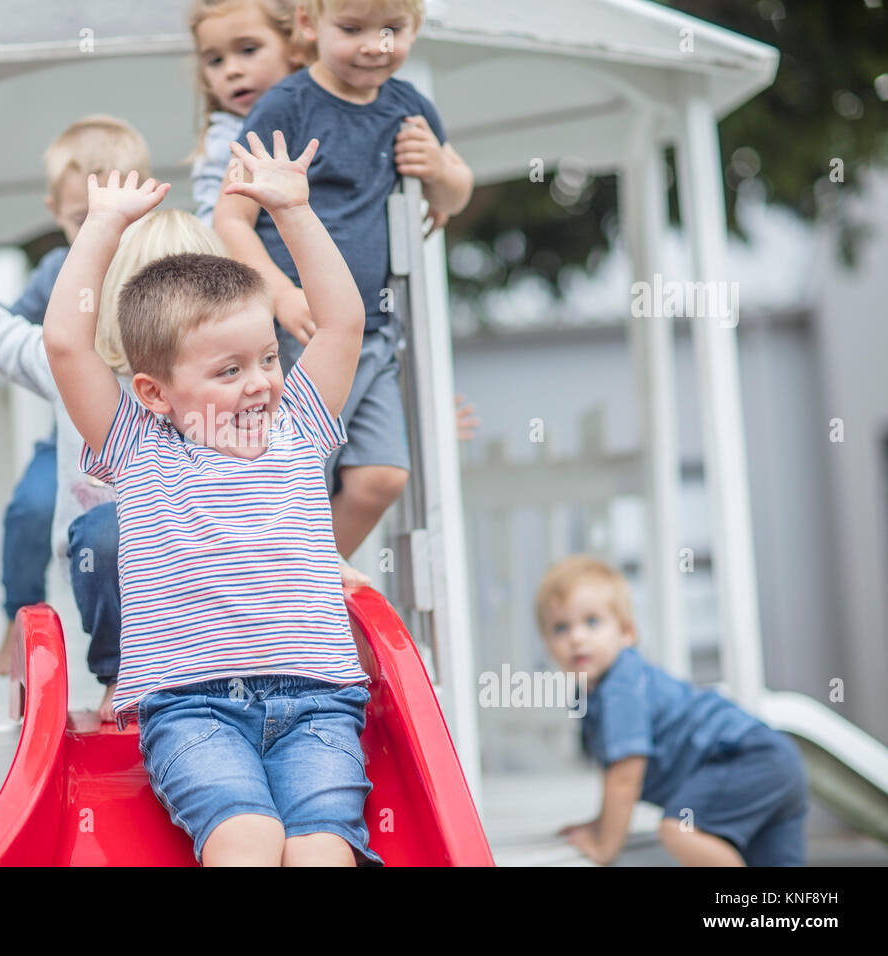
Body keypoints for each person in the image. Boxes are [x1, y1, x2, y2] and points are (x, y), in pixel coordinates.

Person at [44, 131, 383, 866]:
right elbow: (67, 344)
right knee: (248, 837)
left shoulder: (299, 426)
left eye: (266, 358)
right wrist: (102, 225)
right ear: (154, 393)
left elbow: (343, 322)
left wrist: (292, 211)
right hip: (194, 708)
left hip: (319, 703)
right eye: (229, 370)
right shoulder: (138, 446)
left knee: (323, 848)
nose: (260, 380)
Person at [0, 204, 228, 724]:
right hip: (109, 560)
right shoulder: (79, 368)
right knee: (109, 527)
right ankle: (122, 672)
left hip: (201, 565)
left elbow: (280, 482)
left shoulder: (227, 386)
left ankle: (222, 673)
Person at [214, 0, 475, 575]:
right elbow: (230, 218)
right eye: (352, 29)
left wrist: (441, 171)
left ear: (416, 28)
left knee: (381, 476)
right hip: (300, 332)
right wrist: (280, 294)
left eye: (392, 31)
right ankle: (264, 580)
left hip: (377, 334)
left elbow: (453, 195)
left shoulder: (410, 110)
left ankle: (305, 578)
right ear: (310, 25)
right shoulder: (288, 105)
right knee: (295, 469)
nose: (373, 46)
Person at [0, 115, 151, 681]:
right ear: (53, 211)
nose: (102, 229)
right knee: (29, 510)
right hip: (70, 436)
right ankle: (18, 619)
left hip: (151, 436)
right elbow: (6, 333)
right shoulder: (58, 271)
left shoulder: (152, 262)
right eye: (80, 218)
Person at [536, 554, 809, 866]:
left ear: (627, 632)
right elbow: (611, 769)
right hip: (776, 760)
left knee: (679, 830)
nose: (576, 638)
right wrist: (601, 823)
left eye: (592, 622)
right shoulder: (596, 692)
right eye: (560, 628)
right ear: (547, 644)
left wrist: (605, 846)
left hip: (743, 758)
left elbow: (625, 776)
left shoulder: (621, 687)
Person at [188, 0, 305, 225]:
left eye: (248, 50)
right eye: (215, 61)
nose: (231, 71)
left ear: (294, 46)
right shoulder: (224, 140)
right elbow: (212, 221)